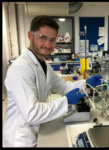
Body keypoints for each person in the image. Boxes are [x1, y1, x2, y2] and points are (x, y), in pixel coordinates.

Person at [3, 15, 102, 147]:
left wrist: (86, 84)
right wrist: (66, 101)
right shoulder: (21, 68)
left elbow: (63, 86)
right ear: (30, 35)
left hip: (38, 131)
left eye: (52, 40)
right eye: (42, 38)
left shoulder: (44, 65)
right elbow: (32, 113)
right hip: (20, 140)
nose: (48, 45)